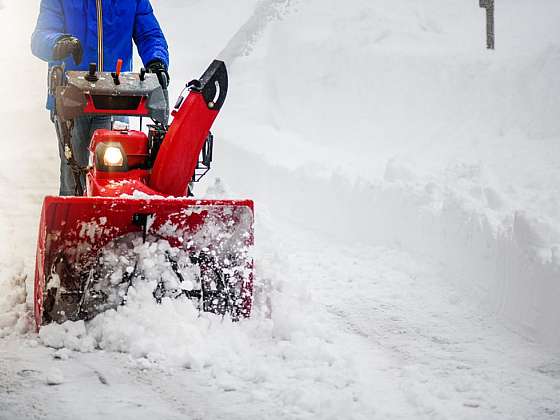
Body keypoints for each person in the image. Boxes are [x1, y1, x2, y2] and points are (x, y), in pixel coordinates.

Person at [31, 0, 170, 196]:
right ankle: (71, 223)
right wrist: (58, 43)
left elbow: (149, 35)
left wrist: (157, 61)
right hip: (72, 100)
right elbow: (40, 37)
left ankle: (112, 222)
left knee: (116, 175)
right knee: (75, 176)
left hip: (118, 99)